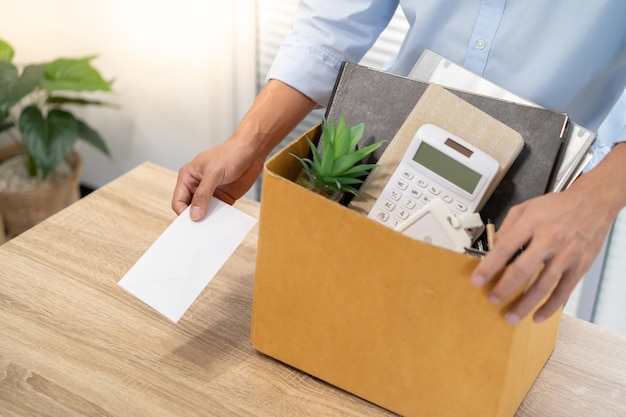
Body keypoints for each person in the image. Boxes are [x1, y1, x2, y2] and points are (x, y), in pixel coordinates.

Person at [173, 1, 626, 325]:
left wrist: (597, 200)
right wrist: (251, 139)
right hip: (393, 151)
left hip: (542, 199)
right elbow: (331, 23)